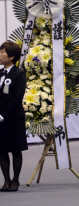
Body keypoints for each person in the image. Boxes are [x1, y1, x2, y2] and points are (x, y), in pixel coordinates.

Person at [0, 41, 26, 192]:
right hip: (0, 118)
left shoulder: (19, 73)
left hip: (14, 117)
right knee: (1, 150)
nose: (0, 54)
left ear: (11, 56)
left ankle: (15, 180)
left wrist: (4, 115)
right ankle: (6, 181)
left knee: (16, 149)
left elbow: (18, 98)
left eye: (2, 52)